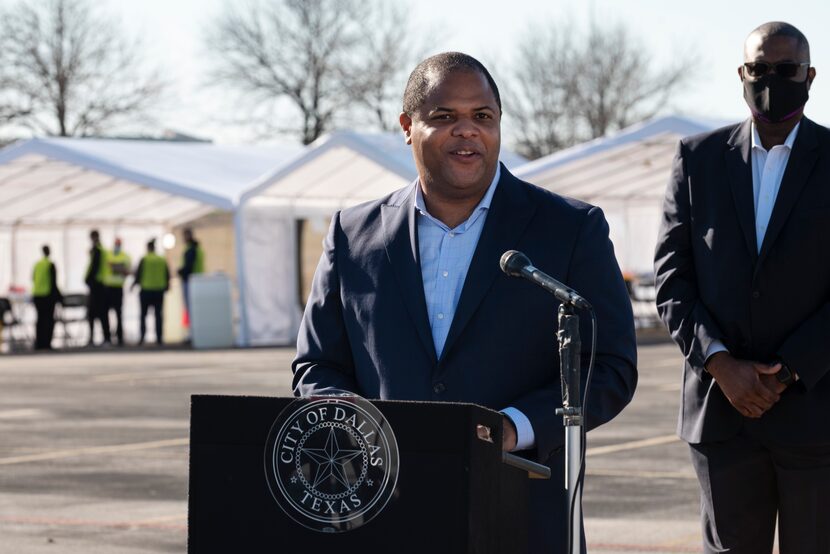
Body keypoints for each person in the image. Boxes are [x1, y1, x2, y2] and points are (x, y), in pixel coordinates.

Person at [293, 52, 638, 552]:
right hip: (381, 512)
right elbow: (315, 365)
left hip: (522, 513)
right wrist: (350, 420)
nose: (467, 131)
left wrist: (514, 428)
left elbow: (609, 366)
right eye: (445, 117)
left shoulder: (569, 229)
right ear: (408, 127)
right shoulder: (353, 234)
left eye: (482, 117)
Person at [654, 22, 830, 554]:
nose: (771, 79)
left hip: (815, 411)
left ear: (810, 76)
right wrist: (720, 363)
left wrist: (789, 369)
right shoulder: (697, 159)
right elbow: (671, 277)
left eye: (786, 70)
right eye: (760, 69)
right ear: (741, 74)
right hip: (720, 414)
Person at [132, 239, 170, 345]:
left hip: (146, 290)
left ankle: (142, 337)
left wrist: (133, 285)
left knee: (143, 315)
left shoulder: (144, 259)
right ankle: (159, 338)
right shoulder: (161, 259)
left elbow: (138, 274)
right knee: (158, 315)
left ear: (148, 248)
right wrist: (167, 287)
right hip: (159, 290)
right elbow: (167, 274)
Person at [84, 229, 111, 346]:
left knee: (97, 313)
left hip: (97, 285)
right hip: (100, 285)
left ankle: (102, 338)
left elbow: (94, 268)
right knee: (99, 313)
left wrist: (88, 280)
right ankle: (103, 338)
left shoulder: (97, 251)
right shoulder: (100, 250)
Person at [32, 245, 61, 350]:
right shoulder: (50, 264)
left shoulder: (37, 264)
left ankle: (39, 343)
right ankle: (47, 343)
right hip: (47, 296)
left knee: (40, 320)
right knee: (48, 320)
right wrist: (59, 297)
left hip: (37, 295)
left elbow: (33, 278)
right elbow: (54, 282)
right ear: (49, 252)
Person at [104, 237, 131, 346]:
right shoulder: (108, 254)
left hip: (118, 288)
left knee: (118, 313)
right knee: (106, 314)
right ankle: (108, 337)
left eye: (118, 244)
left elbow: (127, 271)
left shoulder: (125, 256)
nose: (117, 245)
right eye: (116, 243)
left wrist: (117, 268)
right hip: (108, 287)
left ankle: (119, 337)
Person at [177, 227, 205, 320]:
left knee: (190, 307)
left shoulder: (190, 249)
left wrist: (180, 271)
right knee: (196, 308)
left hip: (190, 281)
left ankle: (193, 331)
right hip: (198, 281)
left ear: (188, 236)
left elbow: (188, 267)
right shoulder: (197, 248)